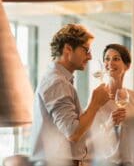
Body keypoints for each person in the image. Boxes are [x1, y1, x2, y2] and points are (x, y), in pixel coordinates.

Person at [30, 24, 109, 166]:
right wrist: (95, 103)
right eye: (86, 50)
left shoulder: (59, 80)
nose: (90, 56)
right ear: (68, 49)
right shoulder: (57, 82)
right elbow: (73, 133)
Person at [90, 44, 134, 166]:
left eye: (116, 59)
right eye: (107, 59)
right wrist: (110, 123)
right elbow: (90, 140)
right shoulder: (97, 98)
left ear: (127, 66)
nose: (110, 63)